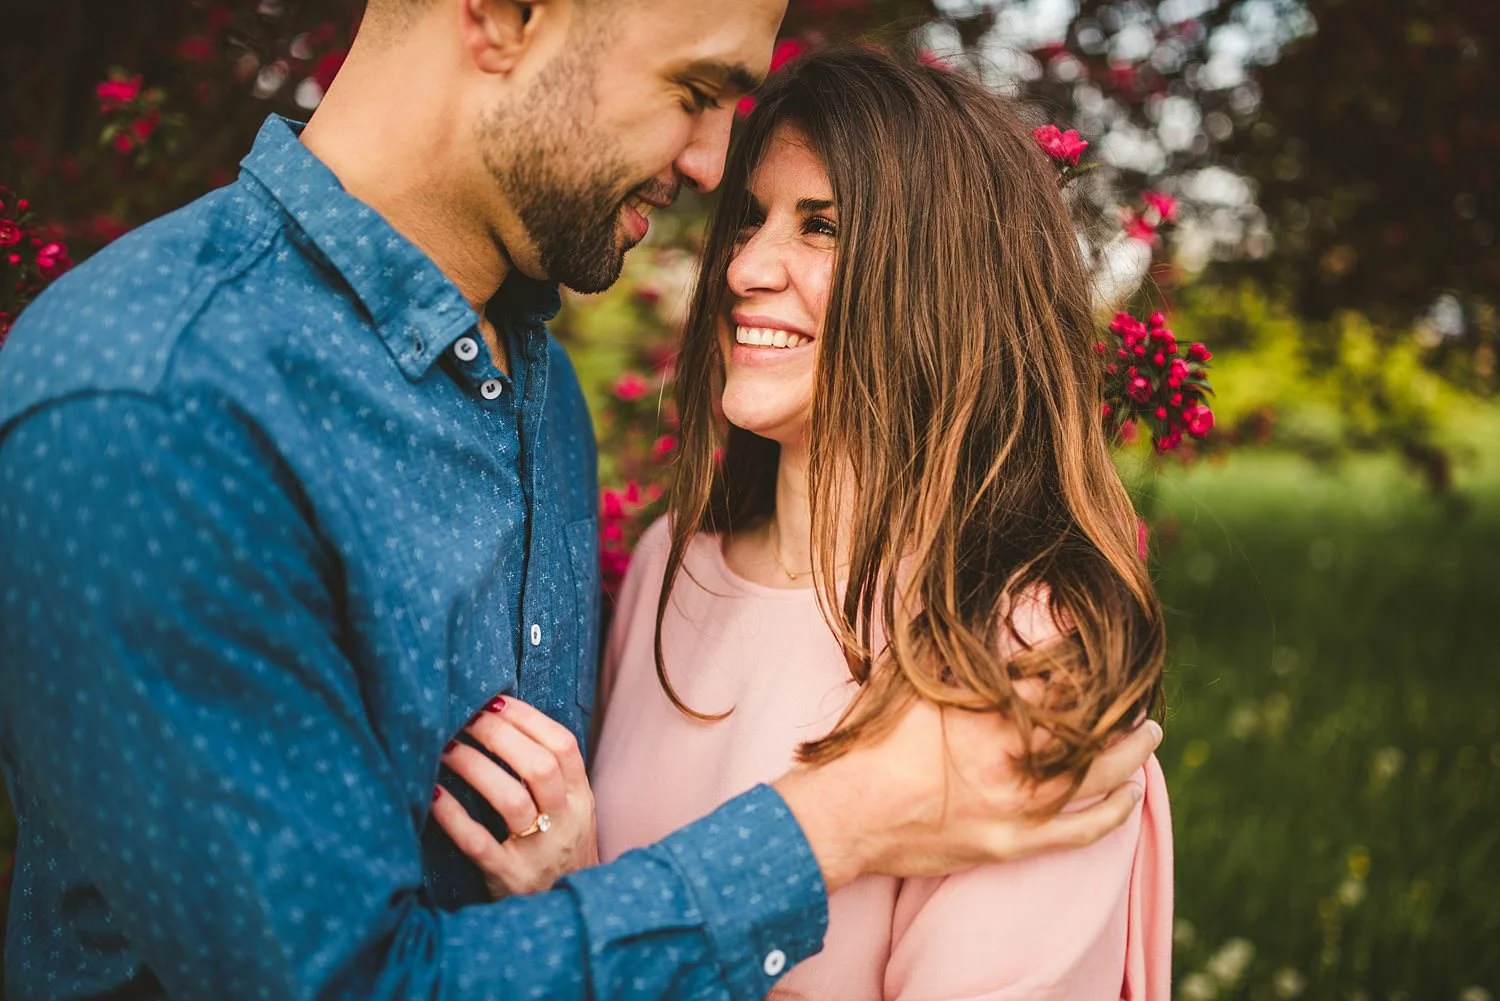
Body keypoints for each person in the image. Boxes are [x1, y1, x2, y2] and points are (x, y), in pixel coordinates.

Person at [0, 1, 1160, 998]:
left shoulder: (525, 384)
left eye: (821, 223)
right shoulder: (152, 408)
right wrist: (839, 820)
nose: (713, 172)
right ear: (503, 16)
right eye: (694, 88)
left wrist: (585, 896)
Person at [447, 48, 1173, 998]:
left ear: (945, 282)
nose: (744, 266)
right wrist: (584, 905)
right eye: (749, 220)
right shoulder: (675, 566)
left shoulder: (1024, 655)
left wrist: (588, 913)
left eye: (821, 228)